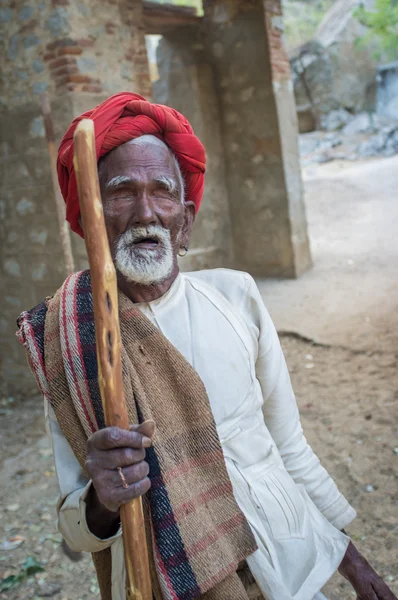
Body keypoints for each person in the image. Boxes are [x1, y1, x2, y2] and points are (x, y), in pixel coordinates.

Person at [17, 93, 396, 600]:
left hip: (285, 564)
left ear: (186, 220)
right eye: (122, 193)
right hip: (174, 582)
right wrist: (103, 500)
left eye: (162, 193)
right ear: (92, 220)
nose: (145, 212)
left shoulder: (236, 297)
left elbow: (289, 449)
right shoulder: (72, 342)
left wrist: (354, 562)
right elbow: (74, 530)